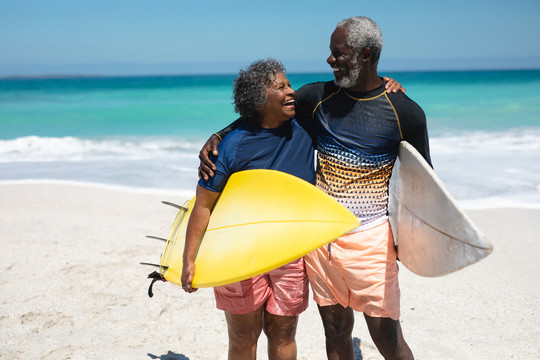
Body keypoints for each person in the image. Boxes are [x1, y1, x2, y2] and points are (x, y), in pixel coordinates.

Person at [198, 17, 430, 360]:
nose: (330, 60)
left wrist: (410, 243)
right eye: (330, 53)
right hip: (320, 235)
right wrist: (220, 135)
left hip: (370, 237)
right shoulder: (317, 97)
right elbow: (265, 113)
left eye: (339, 53)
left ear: (366, 55)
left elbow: (423, 184)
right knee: (335, 330)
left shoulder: (405, 113)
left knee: (387, 336)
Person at [181, 58, 316, 360]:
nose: (291, 91)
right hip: (237, 250)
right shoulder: (231, 146)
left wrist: (388, 86)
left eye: (289, 83)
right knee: (243, 336)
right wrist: (189, 258)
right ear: (258, 101)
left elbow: (350, 98)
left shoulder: (306, 129)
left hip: (290, 248)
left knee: (283, 333)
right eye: (280, 87)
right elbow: (203, 205)